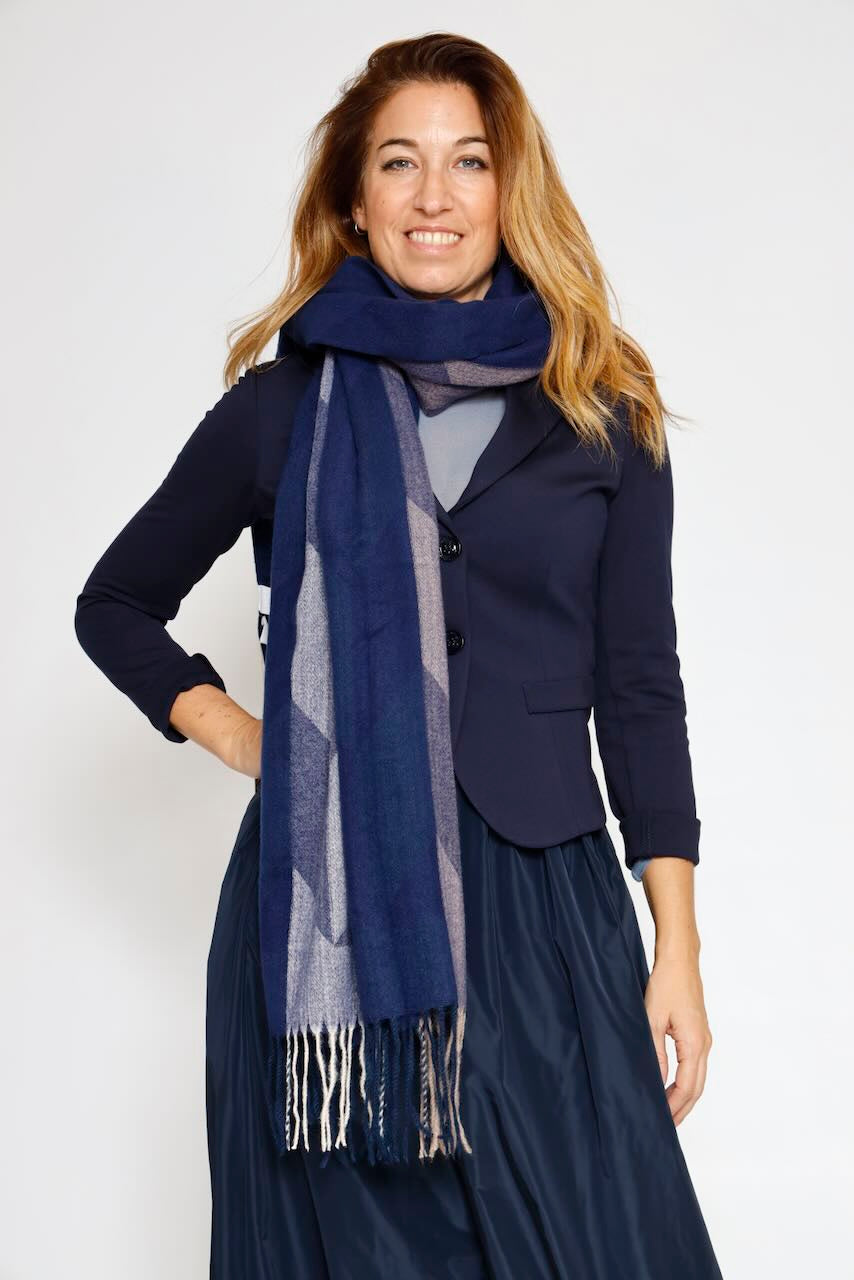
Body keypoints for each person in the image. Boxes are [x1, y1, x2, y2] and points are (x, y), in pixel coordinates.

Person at [74, 31, 723, 1280]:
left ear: (507, 188)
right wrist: (251, 736)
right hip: (332, 900)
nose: (435, 195)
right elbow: (116, 603)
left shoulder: (600, 409)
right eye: (398, 162)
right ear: (352, 202)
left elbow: (642, 687)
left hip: (542, 901)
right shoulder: (280, 412)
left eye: (468, 161)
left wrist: (676, 944)